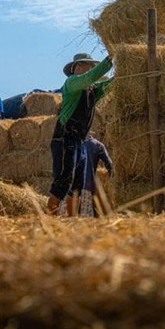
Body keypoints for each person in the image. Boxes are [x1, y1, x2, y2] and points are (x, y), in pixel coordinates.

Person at [48, 53, 113, 215]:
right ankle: (49, 222)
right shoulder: (72, 82)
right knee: (63, 181)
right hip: (65, 138)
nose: (91, 69)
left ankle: (72, 221)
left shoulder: (91, 90)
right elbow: (90, 77)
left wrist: (126, 72)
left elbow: (109, 85)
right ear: (78, 67)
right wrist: (109, 60)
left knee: (77, 185)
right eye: (89, 66)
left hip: (79, 141)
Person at [80, 134, 113, 217]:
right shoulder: (98, 145)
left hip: (70, 187)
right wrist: (110, 177)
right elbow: (109, 164)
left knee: (66, 218)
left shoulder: (73, 142)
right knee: (85, 218)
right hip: (86, 185)